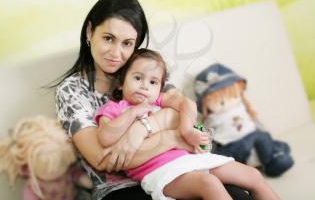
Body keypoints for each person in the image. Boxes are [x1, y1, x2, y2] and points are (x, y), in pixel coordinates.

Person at [55, 0, 253, 200]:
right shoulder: (72, 91)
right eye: (108, 38)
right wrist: (171, 137)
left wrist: (140, 131)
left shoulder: (146, 73)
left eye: (127, 43)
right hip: (121, 189)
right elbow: (103, 160)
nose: (116, 53)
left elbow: (194, 125)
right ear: (89, 31)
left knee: (240, 196)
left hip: (177, 166)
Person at [94, 48, 280, 200]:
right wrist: (133, 112)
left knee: (253, 175)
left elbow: (186, 104)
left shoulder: (159, 101)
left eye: (153, 82)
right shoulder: (115, 108)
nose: (144, 86)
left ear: (159, 87)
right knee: (209, 184)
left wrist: (188, 130)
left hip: (189, 159)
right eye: (137, 78)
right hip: (159, 172)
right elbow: (105, 136)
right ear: (121, 83)